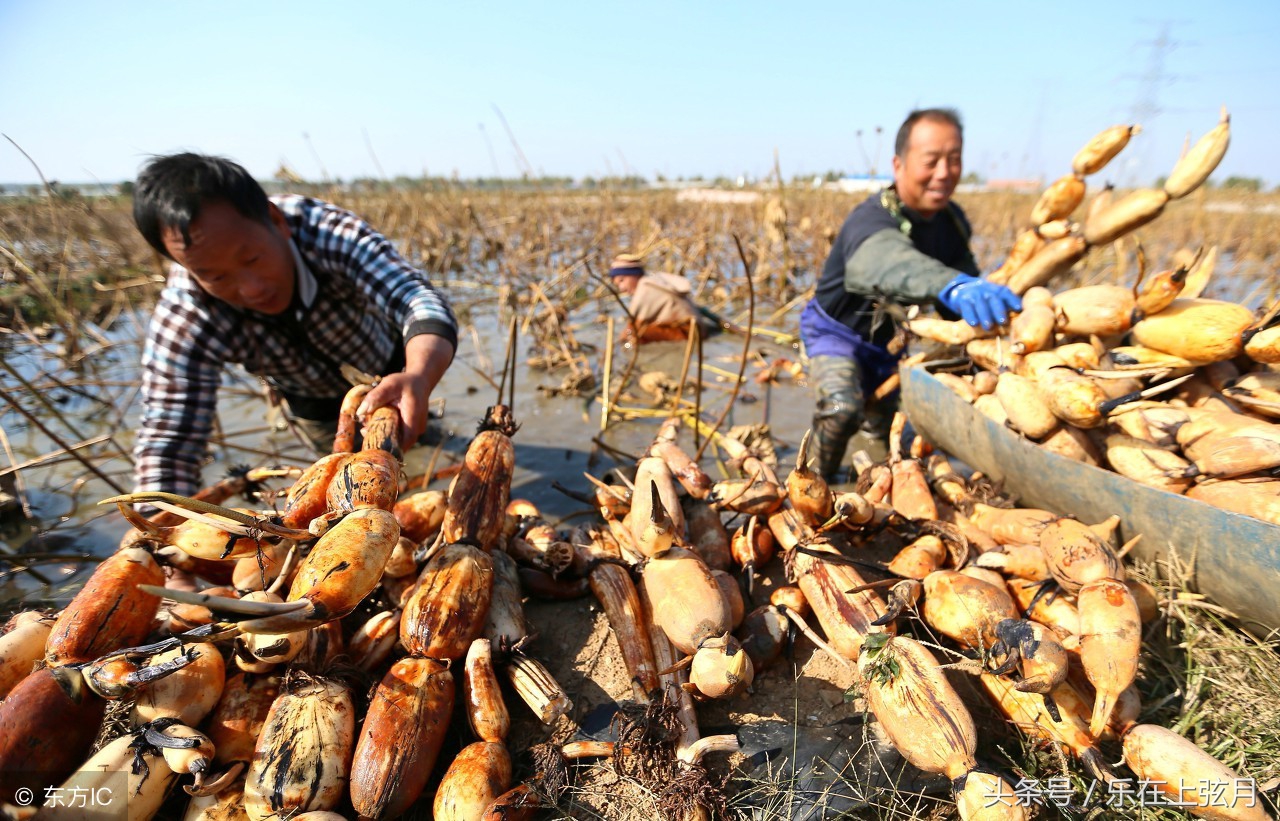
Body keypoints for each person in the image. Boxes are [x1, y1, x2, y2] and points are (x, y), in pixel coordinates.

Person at [131, 152, 458, 499]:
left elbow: (416, 299)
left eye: (253, 259)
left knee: (419, 442)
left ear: (277, 221)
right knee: (342, 484)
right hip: (310, 398)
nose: (251, 289)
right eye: (216, 277)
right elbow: (168, 440)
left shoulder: (326, 233)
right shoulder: (187, 311)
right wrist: (154, 528)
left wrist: (419, 377)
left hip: (391, 369)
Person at [799, 108, 1021, 481]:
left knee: (888, 428)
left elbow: (960, 297)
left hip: (888, 347)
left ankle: (871, 484)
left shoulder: (952, 223)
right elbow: (886, 260)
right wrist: (951, 284)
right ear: (898, 164)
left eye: (954, 160)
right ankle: (812, 487)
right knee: (842, 409)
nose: (944, 172)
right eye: (931, 160)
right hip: (835, 335)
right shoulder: (870, 218)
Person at [609, 253, 719, 342]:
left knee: (632, 335)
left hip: (688, 334)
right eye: (617, 285)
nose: (621, 288)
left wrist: (619, 345)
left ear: (635, 275)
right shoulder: (656, 280)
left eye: (622, 280)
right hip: (698, 330)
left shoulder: (645, 289)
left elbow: (631, 328)